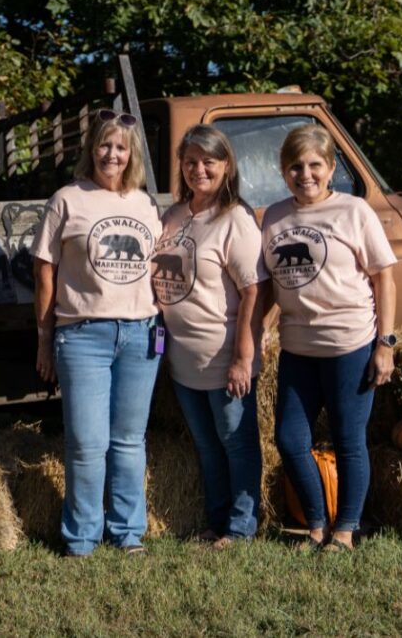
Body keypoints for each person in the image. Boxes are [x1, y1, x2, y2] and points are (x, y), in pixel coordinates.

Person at [31, 108, 163, 557]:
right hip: (83, 335)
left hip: (141, 333)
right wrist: (45, 336)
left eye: (121, 147)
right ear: (91, 149)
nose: (112, 154)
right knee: (87, 443)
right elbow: (44, 270)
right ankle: (82, 537)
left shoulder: (145, 204)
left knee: (128, 441)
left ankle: (128, 532)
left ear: (132, 154)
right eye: (104, 145)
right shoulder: (67, 199)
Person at [261, 123, 397, 552]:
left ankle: (345, 530)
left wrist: (385, 344)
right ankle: (316, 523)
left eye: (314, 165)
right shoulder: (275, 217)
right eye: (295, 167)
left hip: (349, 345)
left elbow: (384, 279)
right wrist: (259, 329)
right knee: (289, 440)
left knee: (348, 440)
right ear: (284, 171)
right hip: (297, 349)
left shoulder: (354, 212)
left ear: (331, 167)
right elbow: (273, 284)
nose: (305, 174)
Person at [151, 124, 268, 549]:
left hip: (223, 358)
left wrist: (243, 358)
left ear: (226, 165)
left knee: (237, 444)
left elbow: (255, 290)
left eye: (208, 161)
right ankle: (217, 520)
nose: (198, 169)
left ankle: (241, 526)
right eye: (190, 161)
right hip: (183, 360)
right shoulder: (174, 216)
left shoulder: (235, 219)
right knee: (207, 446)